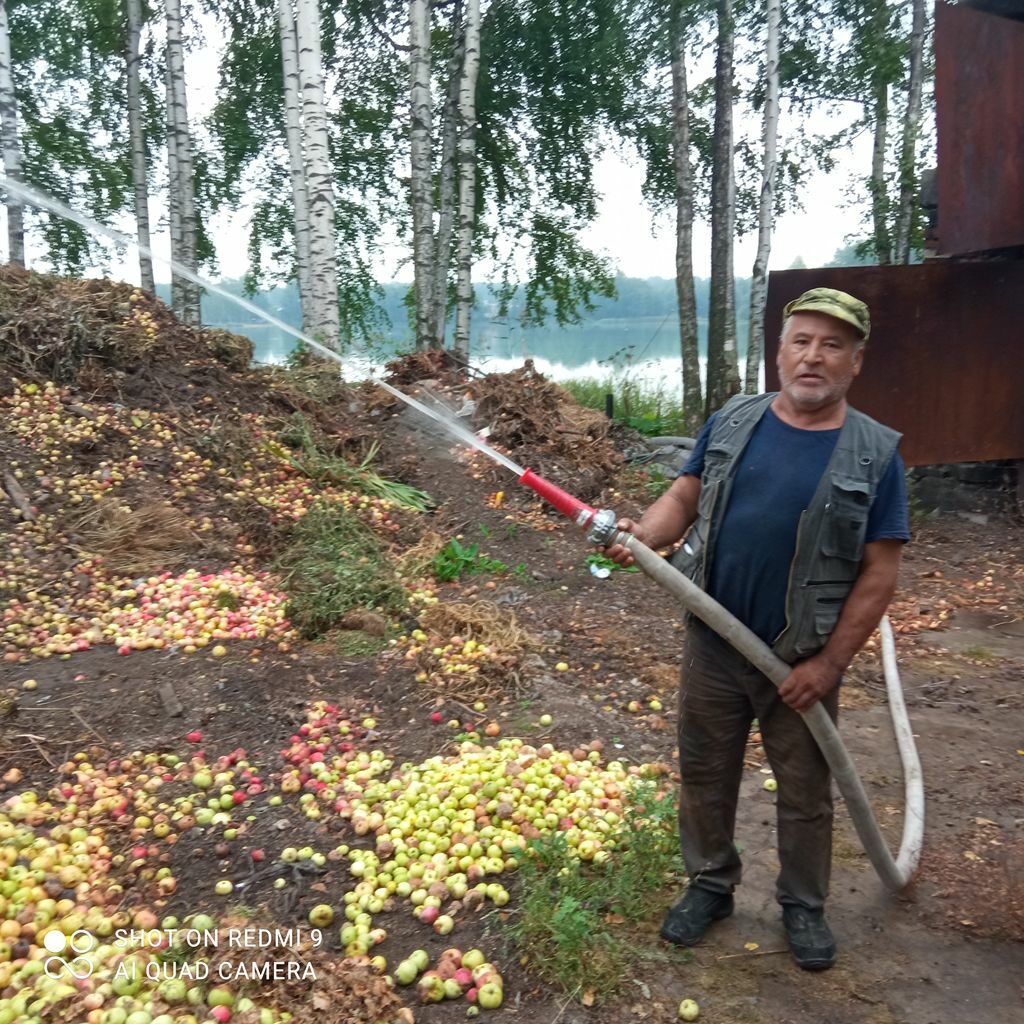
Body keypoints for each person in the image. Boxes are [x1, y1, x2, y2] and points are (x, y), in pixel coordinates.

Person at [603, 287, 910, 971]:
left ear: (855, 362)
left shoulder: (874, 452)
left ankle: (804, 905)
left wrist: (827, 666)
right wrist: (645, 535)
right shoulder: (734, 419)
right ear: (780, 352)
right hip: (713, 645)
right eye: (801, 341)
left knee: (804, 790)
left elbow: (880, 573)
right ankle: (710, 885)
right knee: (703, 771)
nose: (813, 357)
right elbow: (685, 494)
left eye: (832, 345)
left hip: (799, 661)